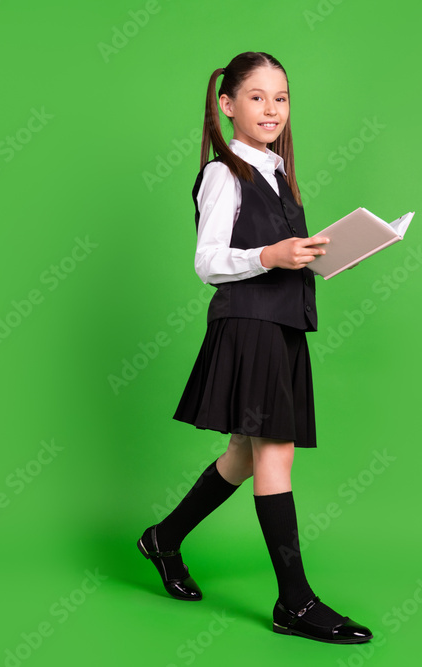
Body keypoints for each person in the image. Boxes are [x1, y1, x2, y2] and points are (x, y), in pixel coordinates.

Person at [137, 51, 372, 645]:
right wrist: (271, 256)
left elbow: (276, 250)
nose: (272, 109)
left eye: (282, 98)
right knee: (275, 454)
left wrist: (319, 254)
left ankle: (162, 540)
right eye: (258, 97)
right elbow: (208, 262)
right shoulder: (224, 172)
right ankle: (294, 602)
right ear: (227, 105)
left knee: (245, 453)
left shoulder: (276, 173)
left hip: (283, 325)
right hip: (250, 326)